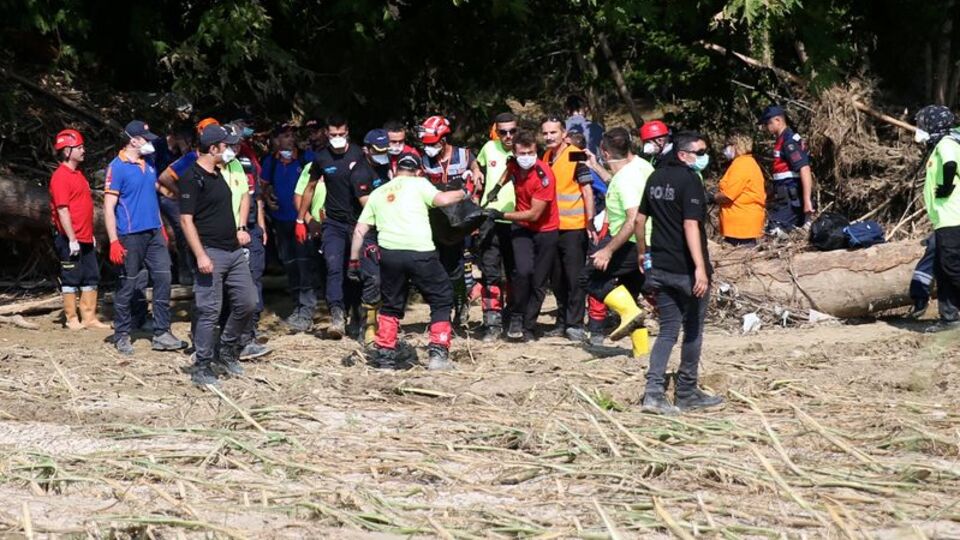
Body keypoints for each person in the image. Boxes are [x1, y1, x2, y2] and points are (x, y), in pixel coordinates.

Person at [350, 153, 466, 370]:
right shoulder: (419, 184)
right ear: (418, 171)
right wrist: (463, 192)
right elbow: (442, 200)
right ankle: (438, 354)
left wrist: (354, 260)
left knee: (391, 304)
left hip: (390, 254)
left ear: (394, 171)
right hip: (421, 252)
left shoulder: (378, 192)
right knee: (441, 298)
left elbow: (359, 231)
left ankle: (385, 356)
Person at [635, 131, 724, 415]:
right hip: (685, 269)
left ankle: (653, 392)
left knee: (667, 331)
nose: (704, 157)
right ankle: (686, 392)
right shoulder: (690, 180)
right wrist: (700, 268)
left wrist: (642, 253)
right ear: (683, 154)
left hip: (660, 267)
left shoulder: (655, 177)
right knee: (693, 330)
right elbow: (690, 225)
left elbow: (639, 220)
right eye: (700, 152)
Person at [179, 124, 258, 386]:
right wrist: (200, 255)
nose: (229, 150)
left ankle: (226, 348)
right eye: (225, 146)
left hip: (233, 250)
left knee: (248, 301)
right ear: (213, 148)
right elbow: (186, 221)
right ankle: (202, 365)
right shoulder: (192, 177)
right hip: (211, 251)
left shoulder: (219, 173)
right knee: (209, 310)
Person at [104, 120, 187, 355]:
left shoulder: (148, 163)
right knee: (128, 283)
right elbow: (109, 207)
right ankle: (122, 334)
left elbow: (152, 195)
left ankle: (162, 332)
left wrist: (161, 228)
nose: (150, 143)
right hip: (130, 234)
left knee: (163, 278)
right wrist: (113, 240)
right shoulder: (117, 167)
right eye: (145, 139)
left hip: (154, 232)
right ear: (133, 140)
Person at [483, 130, 558, 341]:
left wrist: (501, 215)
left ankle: (529, 326)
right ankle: (516, 315)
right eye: (522, 153)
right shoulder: (514, 164)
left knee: (539, 281)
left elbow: (534, 214)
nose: (526, 157)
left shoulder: (544, 176)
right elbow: (508, 172)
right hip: (522, 228)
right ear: (514, 153)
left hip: (544, 230)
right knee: (522, 272)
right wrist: (497, 188)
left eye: (531, 153)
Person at [583, 127, 653, 354]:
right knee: (629, 295)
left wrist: (608, 250)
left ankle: (630, 314)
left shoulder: (626, 179)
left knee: (588, 277)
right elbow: (618, 181)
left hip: (631, 240)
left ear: (605, 152)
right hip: (647, 239)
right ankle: (641, 351)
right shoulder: (641, 166)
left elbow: (632, 219)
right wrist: (596, 167)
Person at [299, 114, 365, 338]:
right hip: (333, 222)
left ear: (347, 132)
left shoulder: (359, 154)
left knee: (355, 270)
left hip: (356, 222)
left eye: (341, 134)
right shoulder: (321, 158)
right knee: (333, 266)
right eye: (334, 134)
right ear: (327, 134)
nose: (338, 137)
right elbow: (309, 188)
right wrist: (301, 219)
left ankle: (357, 314)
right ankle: (337, 316)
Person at [541, 115, 596, 341]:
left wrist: (590, 220)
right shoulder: (546, 156)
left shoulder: (575, 154)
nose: (548, 137)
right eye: (545, 133)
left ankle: (575, 324)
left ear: (563, 133)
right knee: (556, 278)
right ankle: (562, 320)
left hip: (573, 227)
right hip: (550, 227)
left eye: (553, 132)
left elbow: (587, 190)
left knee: (574, 277)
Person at [418, 115, 476, 327]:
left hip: (458, 219)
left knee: (455, 267)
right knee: (434, 266)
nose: (429, 148)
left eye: (433, 144)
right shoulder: (423, 160)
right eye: (426, 144)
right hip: (434, 219)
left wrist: (475, 174)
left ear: (443, 141)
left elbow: (476, 170)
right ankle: (441, 310)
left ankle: (460, 303)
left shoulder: (464, 155)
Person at [49, 128, 110, 331]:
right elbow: (63, 210)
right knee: (71, 276)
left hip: (85, 236)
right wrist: (72, 239)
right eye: (79, 147)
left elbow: (83, 207)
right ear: (67, 151)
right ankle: (71, 318)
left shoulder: (79, 175)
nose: (83, 150)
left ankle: (89, 317)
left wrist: (89, 234)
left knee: (91, 275)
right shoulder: (60, 176)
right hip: (69, 238)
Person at [220, 124, 271, 360]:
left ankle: (248, 337)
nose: (236, 148)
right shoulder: (210, 167)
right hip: (224, 233)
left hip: (249, 229)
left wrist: (260, 226)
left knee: (253, 280)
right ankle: (223, 338)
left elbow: (253, 197)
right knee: (226, 287)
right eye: (231, 144)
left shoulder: (245, 165)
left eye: (238, 143)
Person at [263, 123, 315, 332]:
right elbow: (263, 186)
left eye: (292, 135)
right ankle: (296, 305)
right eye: (285, 136)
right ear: (276, 140)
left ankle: (307, 310)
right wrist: (268, 198)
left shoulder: (306, 158)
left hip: (301, 220)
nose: (290, 139)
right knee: (290, 263)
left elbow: (315, 185)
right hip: (281, 220)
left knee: (304, 263)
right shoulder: (270, 162)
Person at [346, 129, 393, 346]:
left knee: (388, 279)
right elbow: (368, 205)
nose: (382, 154)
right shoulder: (360, 172)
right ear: (367, 149)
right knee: (372, 279)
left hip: (387, 229)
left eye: (385, 150)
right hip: (365, 231)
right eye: (378, 150)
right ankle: (367, 327)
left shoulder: (387, 166)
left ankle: (385, 323)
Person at [916, 105, 960, 332]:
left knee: (952, 267)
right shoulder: (939, 146)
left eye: (923, 124)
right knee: (943, 269)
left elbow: (951, 163)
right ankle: (949, 318)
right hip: (944, 220)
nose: (920, 129)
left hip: (954, 218)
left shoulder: (947, 143)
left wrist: (946, 185)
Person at [474, 112, 518, 341]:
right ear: (496, 132)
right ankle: (492, 322)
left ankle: (513, 317)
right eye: (503, 132)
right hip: (489, 218)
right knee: (490, 272)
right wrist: (476, 170)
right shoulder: (489, 147)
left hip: (517, 219)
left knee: (515, 273)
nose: (508, 136)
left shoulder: (525, 151)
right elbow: (476, 161)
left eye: (513, 131)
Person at [760, 105, 815, 234]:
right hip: (784, 198)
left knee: (774, 230)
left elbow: (804, 168)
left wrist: (807, 201)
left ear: (778, 120)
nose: (766, 127)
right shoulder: (781, 139)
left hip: (792, 199)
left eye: (768, 123)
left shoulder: (789, 142)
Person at [712, 134, 766, 246]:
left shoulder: (741, 165)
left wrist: (712, 197)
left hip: (741, 225)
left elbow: (728, 195)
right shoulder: (748, 163)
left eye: (728, 146)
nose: (726, 150)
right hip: (743, 223)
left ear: (736, 146)